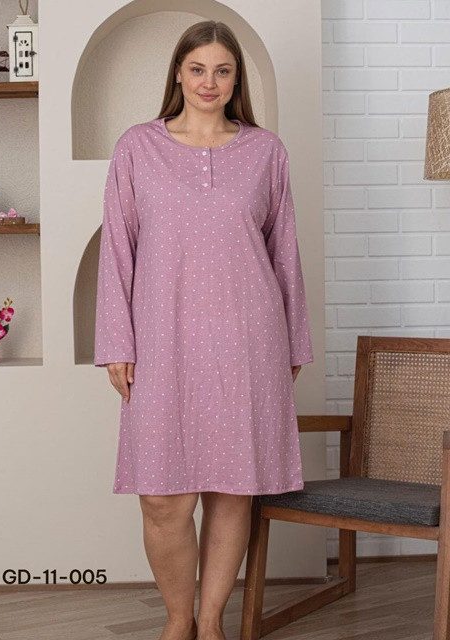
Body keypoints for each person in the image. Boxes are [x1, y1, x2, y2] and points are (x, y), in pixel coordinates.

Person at [94, 20, 313, 640]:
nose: (209, 82)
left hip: (248, 341)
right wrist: (116, 344)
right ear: (178, 73)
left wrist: (293, 343)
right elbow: (117, 251)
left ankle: (211, 621)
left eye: (222, 71)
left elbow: (285, 254)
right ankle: (178, 619)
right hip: (161, 340)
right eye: (197, 69)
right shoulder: (137, 147)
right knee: (163, 497)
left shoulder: (266, 152)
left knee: (232, 490)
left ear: (236, 80)